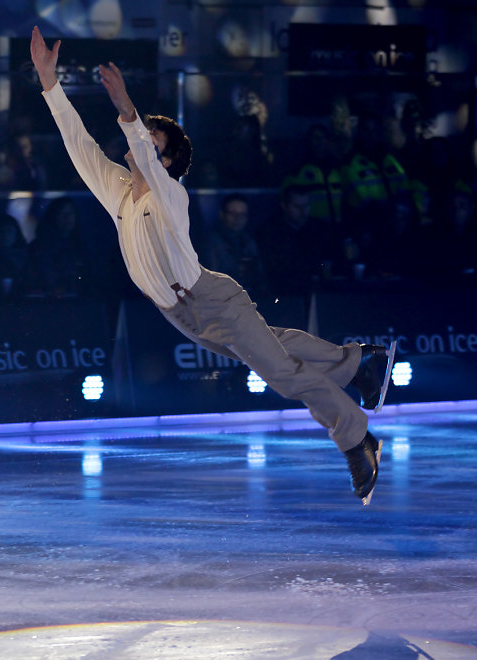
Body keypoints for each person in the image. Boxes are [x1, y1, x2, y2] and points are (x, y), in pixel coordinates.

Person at [29, 26, 391, 504]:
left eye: (151, 142)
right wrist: (49, 82)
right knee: (276, 347)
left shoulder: (171, 195)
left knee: (281, 373)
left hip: (213, 301)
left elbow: (145, 156)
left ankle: (356, 437)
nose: (137, 146)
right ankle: (361, 361)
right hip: (181, 315)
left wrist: (126, 111)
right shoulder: (118, 191)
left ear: (168, 160)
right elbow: (79, 146)